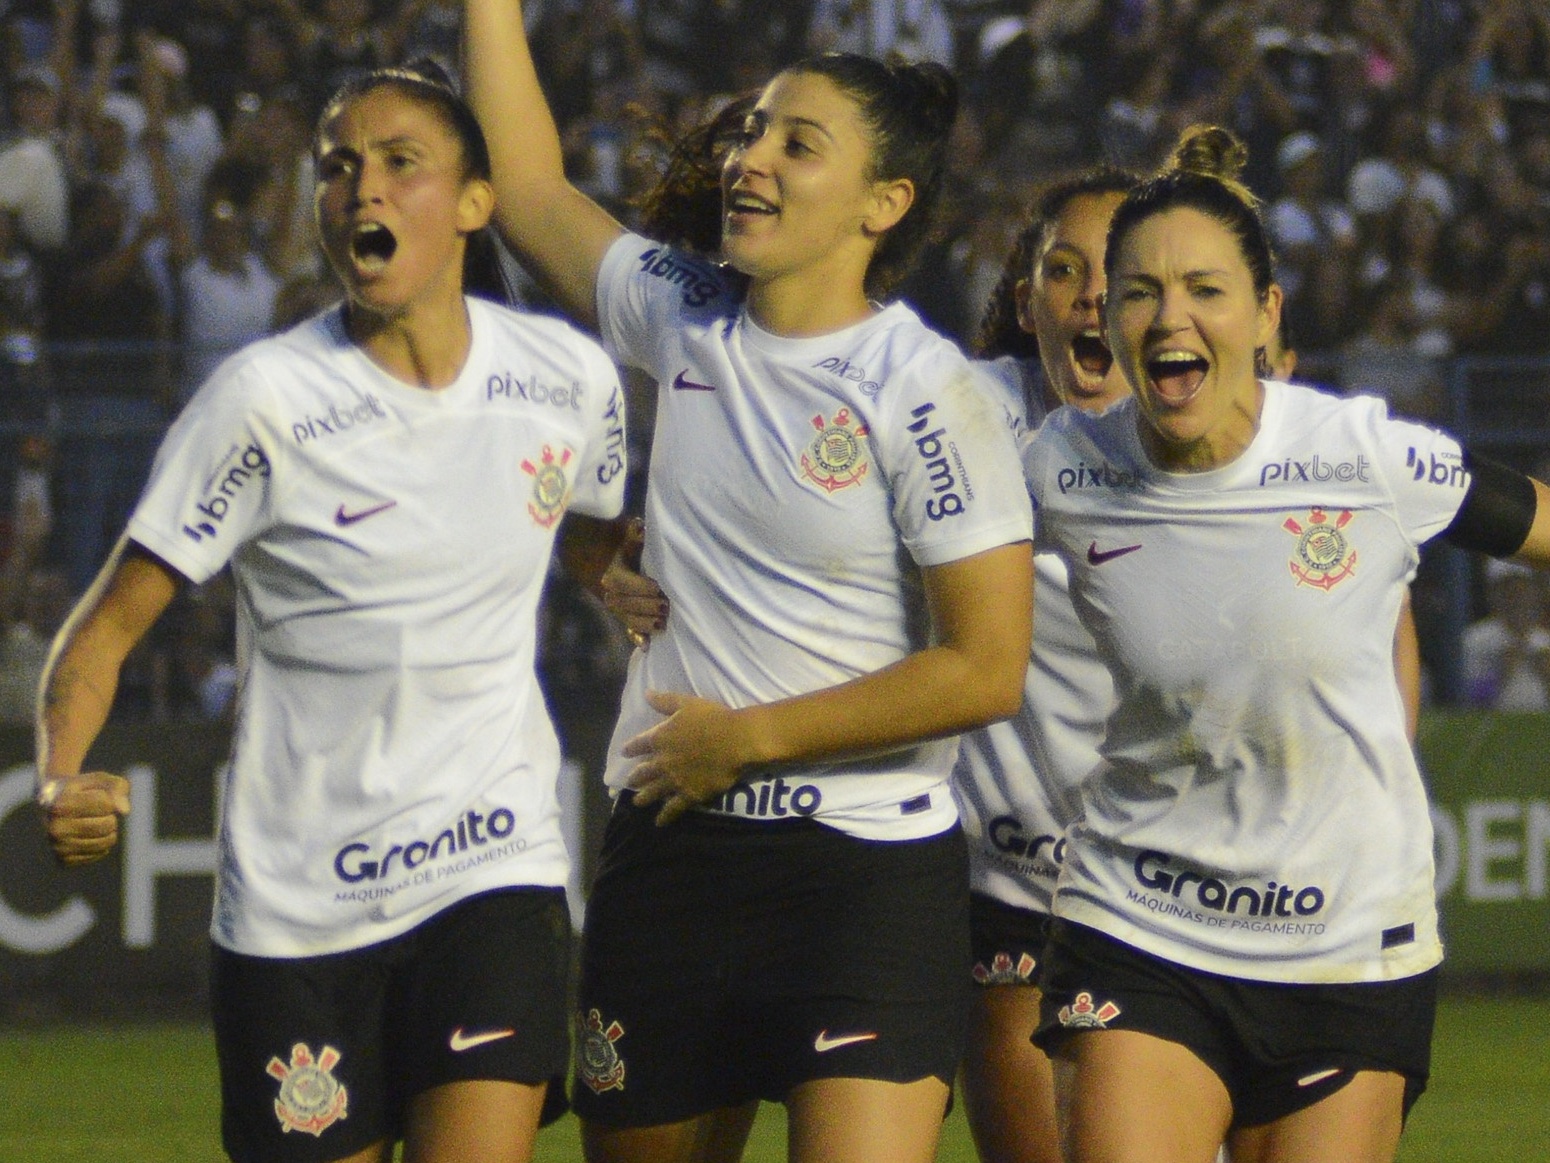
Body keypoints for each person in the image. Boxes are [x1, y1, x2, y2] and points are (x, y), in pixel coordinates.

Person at [463, 5, 1036, 1162]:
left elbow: (984, 666)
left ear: (882, 205)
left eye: (795, 143)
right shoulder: (685, 310)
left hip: (865, 874)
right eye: (753, 132)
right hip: (672, 848)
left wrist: (752, 739)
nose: (748, 158)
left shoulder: (924, 390)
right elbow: (525, 193)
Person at [37, 62, 628, 1163]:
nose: (363, 190)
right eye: (339, 167)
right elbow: (109, 621)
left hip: (492, 868)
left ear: (472, 203)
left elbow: (591, 538)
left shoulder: (569, 379)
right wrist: (63, 770)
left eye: (401, 163)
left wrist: (635, 590)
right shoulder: (262, 401)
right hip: (298, 910)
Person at [1023, 124, 1550, 1163]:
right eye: (1137, 291)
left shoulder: (1362, 454)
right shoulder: (1059, 466)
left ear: (1264, 313)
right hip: (1138, 923)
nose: (1167, 315)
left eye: (1203, 289)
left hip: (1343, 946)